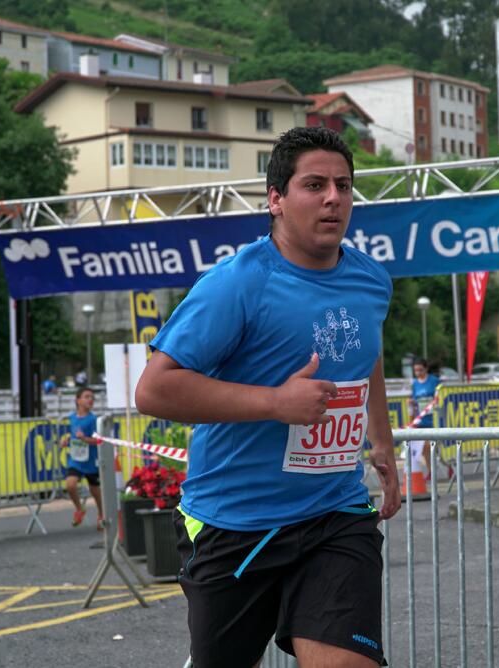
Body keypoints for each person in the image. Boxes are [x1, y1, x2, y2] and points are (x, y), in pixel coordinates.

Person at [135, 126, 399, 668]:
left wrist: (383, 443)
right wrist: (275, 403)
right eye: (315, 184)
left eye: (345, 186)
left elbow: (365, 351)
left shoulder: (372, 282)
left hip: (334, 511)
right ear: (275, 199)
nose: (334, 198)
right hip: (237, 523)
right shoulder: (238, 283)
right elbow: (154, 388)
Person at [61, 387, 102, 530]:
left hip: (90, 461)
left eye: (92, 397)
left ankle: (101, 515)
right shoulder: (72, 418)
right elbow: (73, 436)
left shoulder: (93, 419)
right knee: (70, 484)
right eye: (87, 396)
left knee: (95, 491)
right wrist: (66, 442)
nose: (90, 399)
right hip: (76, 461)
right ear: (78, 400)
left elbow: (98, 441)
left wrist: (85, 439)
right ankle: (80, 509)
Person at [409, 356, 440, 480]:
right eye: (416, 371)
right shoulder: (415, 384)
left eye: (420, 370)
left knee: (430, 446)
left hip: (434, 420)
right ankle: (431, 470)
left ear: (426, 369)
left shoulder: (435, 381)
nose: (418, 373)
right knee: (424, 448)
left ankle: (443, 465)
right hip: (420, 420)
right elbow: (414, 400)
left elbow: (440, 397)